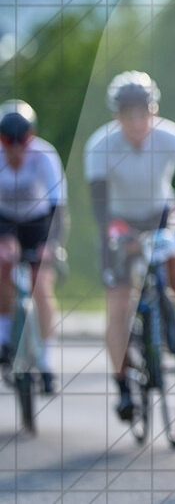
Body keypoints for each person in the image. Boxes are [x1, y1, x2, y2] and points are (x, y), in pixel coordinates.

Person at [84, 71, 175, 421]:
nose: (137, 122)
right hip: (119, 220)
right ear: (118, 116)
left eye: (143, 113)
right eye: (129, 116)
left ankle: (169, 312)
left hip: (160, 213)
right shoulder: (100, 144)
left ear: (153, 110)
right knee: (118, 308)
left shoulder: (173, 136)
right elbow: (98, 204)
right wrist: (116, 233)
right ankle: (124, 384)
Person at [0, 100, 66, 393]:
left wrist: (50, 244)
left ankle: (46, 361)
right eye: (7, 143)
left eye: (21, 143)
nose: (15, 150)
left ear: (31, 138)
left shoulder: (45, 155)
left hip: (39, 222)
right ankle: (4, 339)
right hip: (4, 221)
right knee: (3, 272)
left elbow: (58, 208)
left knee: (41, 286)